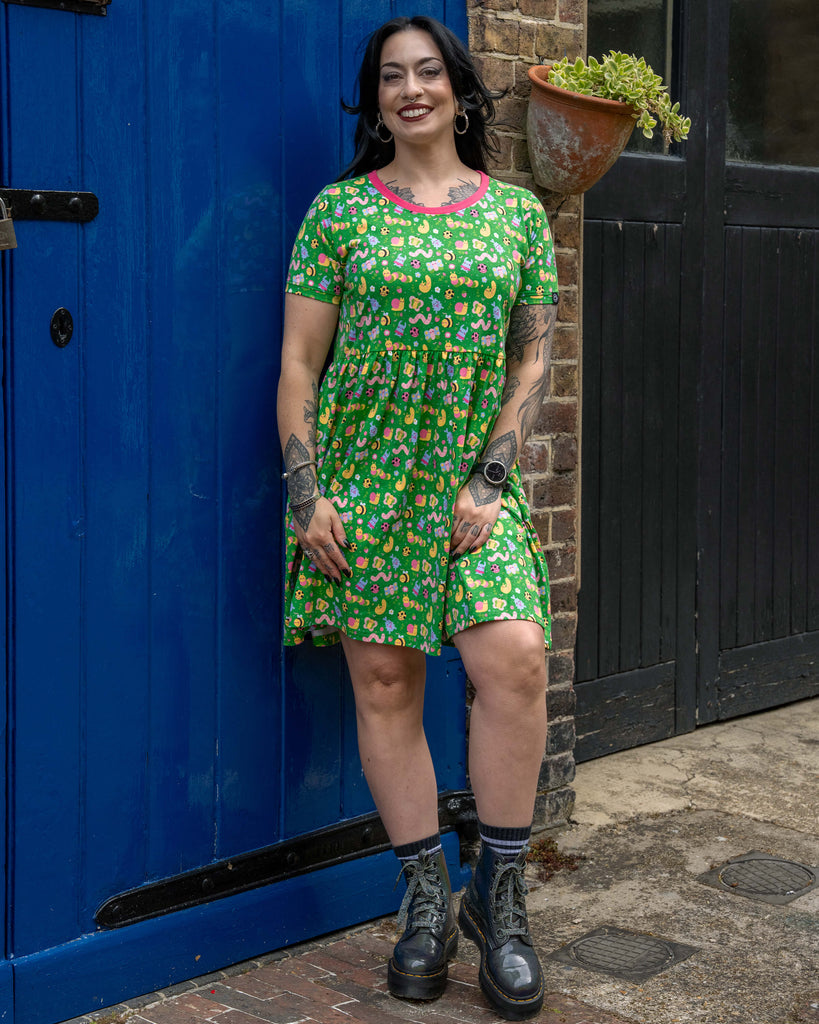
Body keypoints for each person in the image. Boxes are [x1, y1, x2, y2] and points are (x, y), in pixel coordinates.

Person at [277, 15, 558, 1021]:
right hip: (361, 486)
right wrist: (307, 492)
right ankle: (428, 901)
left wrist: (491, 477)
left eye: (428, 71)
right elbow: (299, 363)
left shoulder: (517, 215)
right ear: (374, 100)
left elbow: (532, 358)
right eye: (391, 77)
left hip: (467, 490)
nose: (410, 89)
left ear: (459, 90)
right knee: (387, 684)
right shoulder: (338, 213)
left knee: (513, 660)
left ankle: (501, 899)